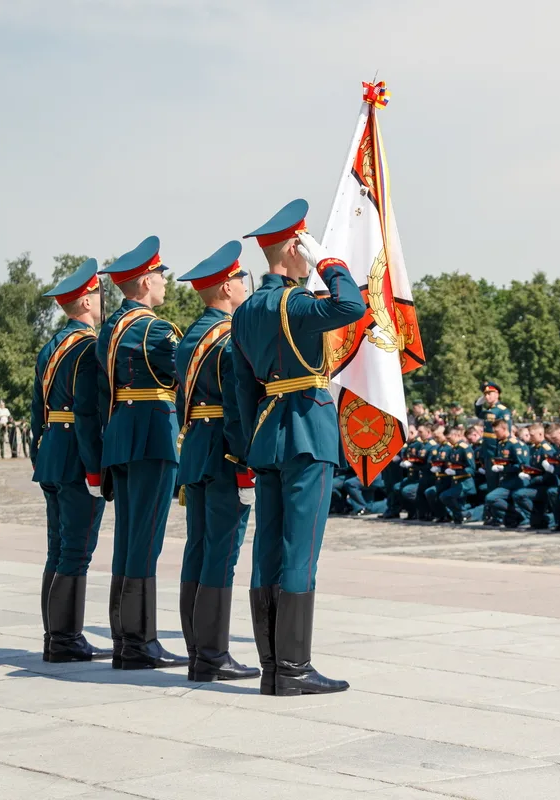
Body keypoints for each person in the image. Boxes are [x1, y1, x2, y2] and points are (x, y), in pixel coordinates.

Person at [233, 199, 367, 695]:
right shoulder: (296, 304)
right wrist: (329, 261)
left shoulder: (246, 310)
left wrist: (253, 443)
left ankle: (272, 666)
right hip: (308, 434)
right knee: (300, 552)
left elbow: (242, 387)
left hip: (267, 437)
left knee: (266, 551)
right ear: (296, 247)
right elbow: (353, 305)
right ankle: (293, 669)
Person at [96, 236, 187, 671]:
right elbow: (184, 375)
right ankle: (140, 642)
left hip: (122, 436)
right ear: (146, 281)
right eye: (161, 278)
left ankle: (123, 637)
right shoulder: (156, 329)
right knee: (145, 541)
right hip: (152, 434)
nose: (165, 286)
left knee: (128, 540)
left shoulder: (110, 329)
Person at [171, 243, 260, 682]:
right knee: (221, 554)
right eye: (243, 280)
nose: (246, 286)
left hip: (197, 450)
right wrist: (246, 465)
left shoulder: (191, 335)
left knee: (199, 549)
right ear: (227, 286)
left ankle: (197, 649)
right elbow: (238, 404)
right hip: (226, 451)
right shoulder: (228, 336)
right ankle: (212, 655)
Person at [30, 259, 110, 663]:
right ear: (83, 301)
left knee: (58, 548)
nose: (101, 301)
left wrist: (38, 456)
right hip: (77, 457)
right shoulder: (86, 347)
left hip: (51, 455)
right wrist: (96, 466)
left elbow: (36, 412)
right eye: (96, 294)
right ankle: (65, 639)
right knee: (75, 550)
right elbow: (86, 412)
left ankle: (54, 635)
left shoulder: (51, 346)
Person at [482, 419, 530, 527]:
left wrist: (503, 469)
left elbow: (521, 465)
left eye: (497, 431)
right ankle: (515, 515)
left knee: (491, 497)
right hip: (506, 480)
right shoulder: (501, 444)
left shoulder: (515, 444)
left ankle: (519, 514)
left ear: (504, 429)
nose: (495, 434)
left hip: (516, 480)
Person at [475, 380, 511, 475]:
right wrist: (478, 404)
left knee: (495, 477)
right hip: (487, 447)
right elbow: (479, 414)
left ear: (497, 394)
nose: (486, 397)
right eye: (485, 394)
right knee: (490, 477)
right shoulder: (489, 410)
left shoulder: (502, 410)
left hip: (496, 447)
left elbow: (507, 431)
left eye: (489, 394)